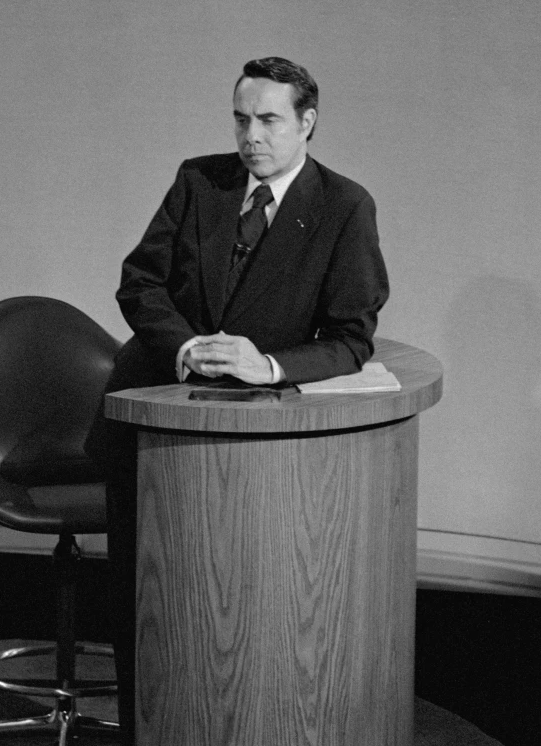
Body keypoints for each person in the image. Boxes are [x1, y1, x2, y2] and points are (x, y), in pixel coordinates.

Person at [88, 57, 389, 743]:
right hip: (153, 415)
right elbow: (140, 283)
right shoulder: (200, 180)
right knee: (145, 596)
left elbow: (351, 337)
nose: (251, 135)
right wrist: (187, 347)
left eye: (269, 119)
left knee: (239, 613)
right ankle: (145, 727)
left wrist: (269, 364)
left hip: (255, 442)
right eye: (241, 118)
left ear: (307, 122)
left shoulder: (345, 207)